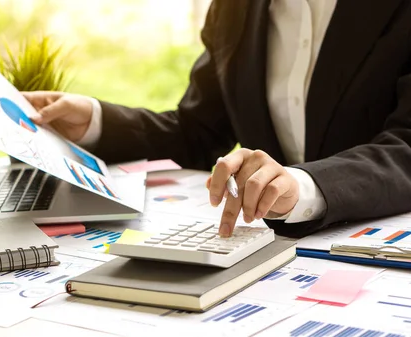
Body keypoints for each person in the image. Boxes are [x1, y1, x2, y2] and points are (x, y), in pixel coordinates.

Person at [23, 0, 411, 238]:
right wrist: (95, 121)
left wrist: (303, 185)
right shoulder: (234, 7)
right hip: (272, 253)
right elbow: (198, 131)